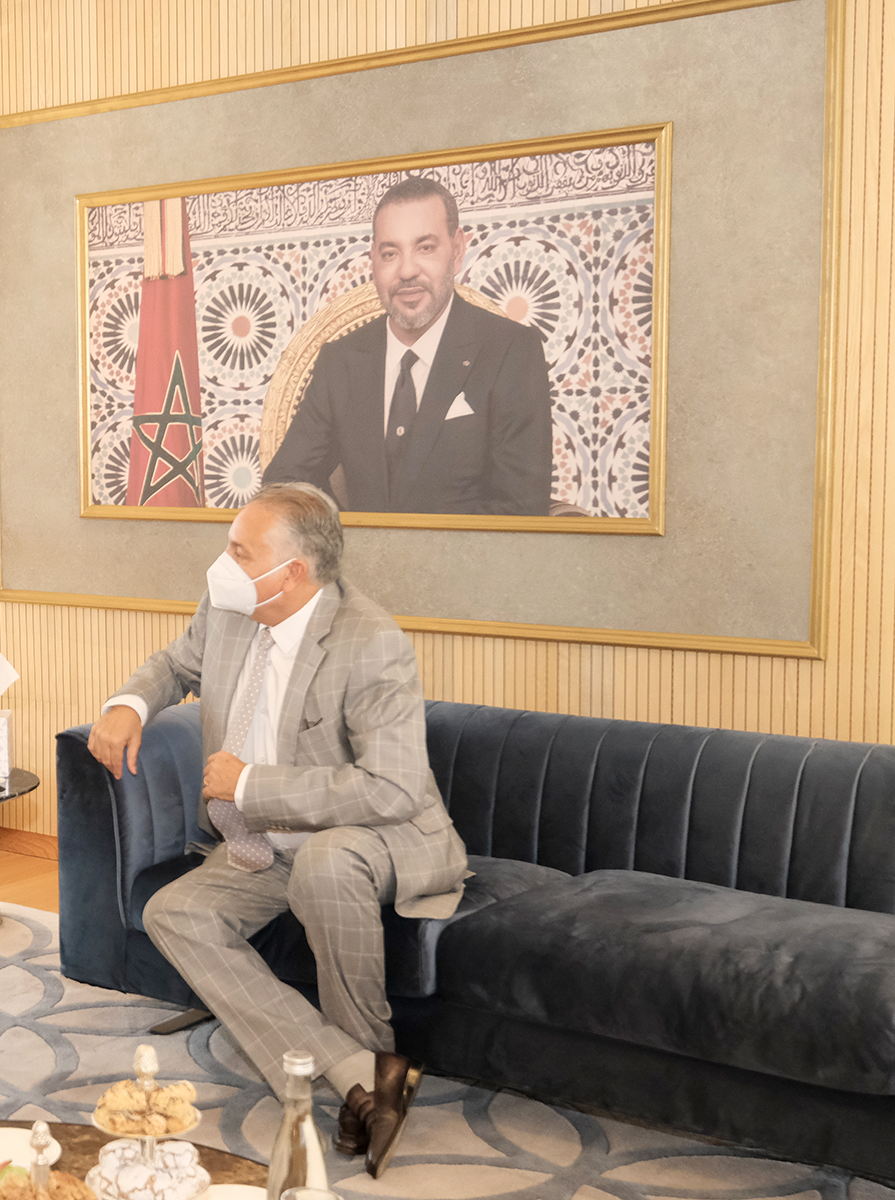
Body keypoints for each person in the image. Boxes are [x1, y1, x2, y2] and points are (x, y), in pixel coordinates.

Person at [85, 483, 468, 1178]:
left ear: (291, 572)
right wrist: (128, 704)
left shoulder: (370, 641)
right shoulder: (230, 608)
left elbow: (393, 787)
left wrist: (250, 786)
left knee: (326, 862)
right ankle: (362, 1073)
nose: (222, 563)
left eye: (241, 551)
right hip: (264, 843)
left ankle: (363, 1076)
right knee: (174, 912)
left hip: (380, 834)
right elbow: (176, 664)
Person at [261, 176, 552, 515]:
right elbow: (283, 484)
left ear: (457, 250)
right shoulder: (340, 360)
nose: (407, 270)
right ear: (373, 261)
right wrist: (338, 533)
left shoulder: (512, 351)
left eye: (425, 248)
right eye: (390, 253)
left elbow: (521, 511)